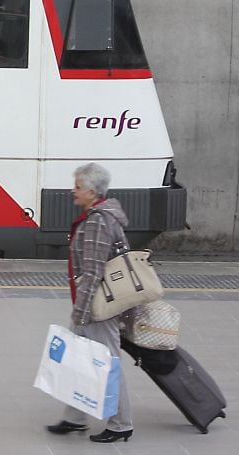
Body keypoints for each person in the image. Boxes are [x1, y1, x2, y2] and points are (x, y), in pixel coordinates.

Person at [46, 162, 134, 444]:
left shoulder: (98, 221)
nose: (73, 191)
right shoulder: (100, 215)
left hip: (98, 308)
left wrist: (81, 314)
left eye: (78, 187)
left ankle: (121, 424)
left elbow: (94, 270)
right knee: (78, 361)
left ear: (93, 192)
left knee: (108, 363)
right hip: (89, 304)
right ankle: (75, 418)